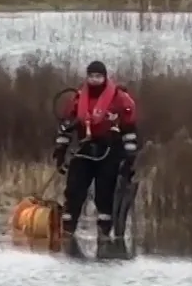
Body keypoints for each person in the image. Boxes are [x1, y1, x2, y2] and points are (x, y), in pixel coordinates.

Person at [52, 60, 139, 242]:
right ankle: (68, 231)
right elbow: (66, 127)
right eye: (91, 76)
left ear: (105, 77)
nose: (94, 80)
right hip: (84, 148)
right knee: (74, 190)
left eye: (98, 76)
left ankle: (104, 233)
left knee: (105, 192)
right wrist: (61, 150)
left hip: (110, 149)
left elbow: (129, 130)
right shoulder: (77, 98)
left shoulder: (119, 99)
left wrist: (130, 157)